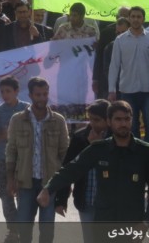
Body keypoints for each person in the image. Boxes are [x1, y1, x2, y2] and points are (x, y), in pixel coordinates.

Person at [37, 101, 149, 232]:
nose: (123, 124)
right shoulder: (98, 149)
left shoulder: (146, 152)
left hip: (133, 223)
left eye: (127, 119)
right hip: (104, 223)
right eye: (118, 119)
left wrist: (146, 222)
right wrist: (48, 188)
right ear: (109, 121)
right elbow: (71, 170)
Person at [6, 77, 69, 243]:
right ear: (30, 95)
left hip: (49, 183)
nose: (42, 98)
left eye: (45, 94)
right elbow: (11, 151)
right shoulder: (17, 120)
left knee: (47, 230)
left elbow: (65, 154)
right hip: (25, 182)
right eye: (38, 94)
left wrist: (63, 183)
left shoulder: (58, 121)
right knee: (24, 228)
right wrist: (10, 179)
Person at [54, 99, 111, 243]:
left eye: (97, 120)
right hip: (86, 200)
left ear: (108, 120)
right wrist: (61, 200)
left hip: (110, 203)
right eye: (90, 119)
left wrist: (96, 146)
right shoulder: (80, 138)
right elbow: (68, 168)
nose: (92, 124)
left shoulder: (117, 138)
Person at [108, 6, 149, 144]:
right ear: (129, 18)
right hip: (127, 90)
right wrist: (111, 90)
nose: (135, 19)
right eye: (133, 16)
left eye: (139, 17)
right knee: (131, 127)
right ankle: (133, 158)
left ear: (143, 19)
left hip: (148, 90)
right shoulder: (120, 40)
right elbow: (114, 66)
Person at [0, 77, 28, 240]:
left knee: (23, 192)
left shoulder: (27, 109)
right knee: (6, 193)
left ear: (16, 91)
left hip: (23, 159)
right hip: (3, 158)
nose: (5, 95)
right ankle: (12, 228)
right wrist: (5, 133)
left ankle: (23, 226)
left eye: (8, 91)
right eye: (2, 92)